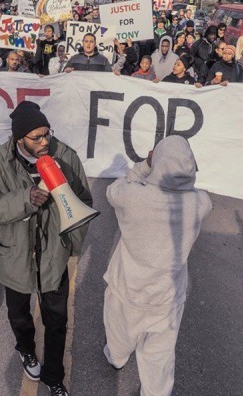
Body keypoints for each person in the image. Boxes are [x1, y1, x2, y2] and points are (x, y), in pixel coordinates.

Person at [0, 101, 93, 396]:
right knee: (19, 315)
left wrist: (70, 246)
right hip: (15, 256)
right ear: (19, 139)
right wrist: (24, 199)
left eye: (46, 134)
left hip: (53, 255)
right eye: (36, 137)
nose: (44, 142)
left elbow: (83, 203)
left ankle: (54, 377)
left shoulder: (65, 156)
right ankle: (25, 349)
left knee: (57, 321)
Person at [102, 135, 211, 396]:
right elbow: (191, 188)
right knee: (159, 354)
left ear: (158, 161)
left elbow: (113, 190)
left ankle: (116, 357)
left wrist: (144, 166)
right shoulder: (200, 203)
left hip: (128, 286)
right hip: (168, 295)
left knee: (119, 331)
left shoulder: (133, 197)